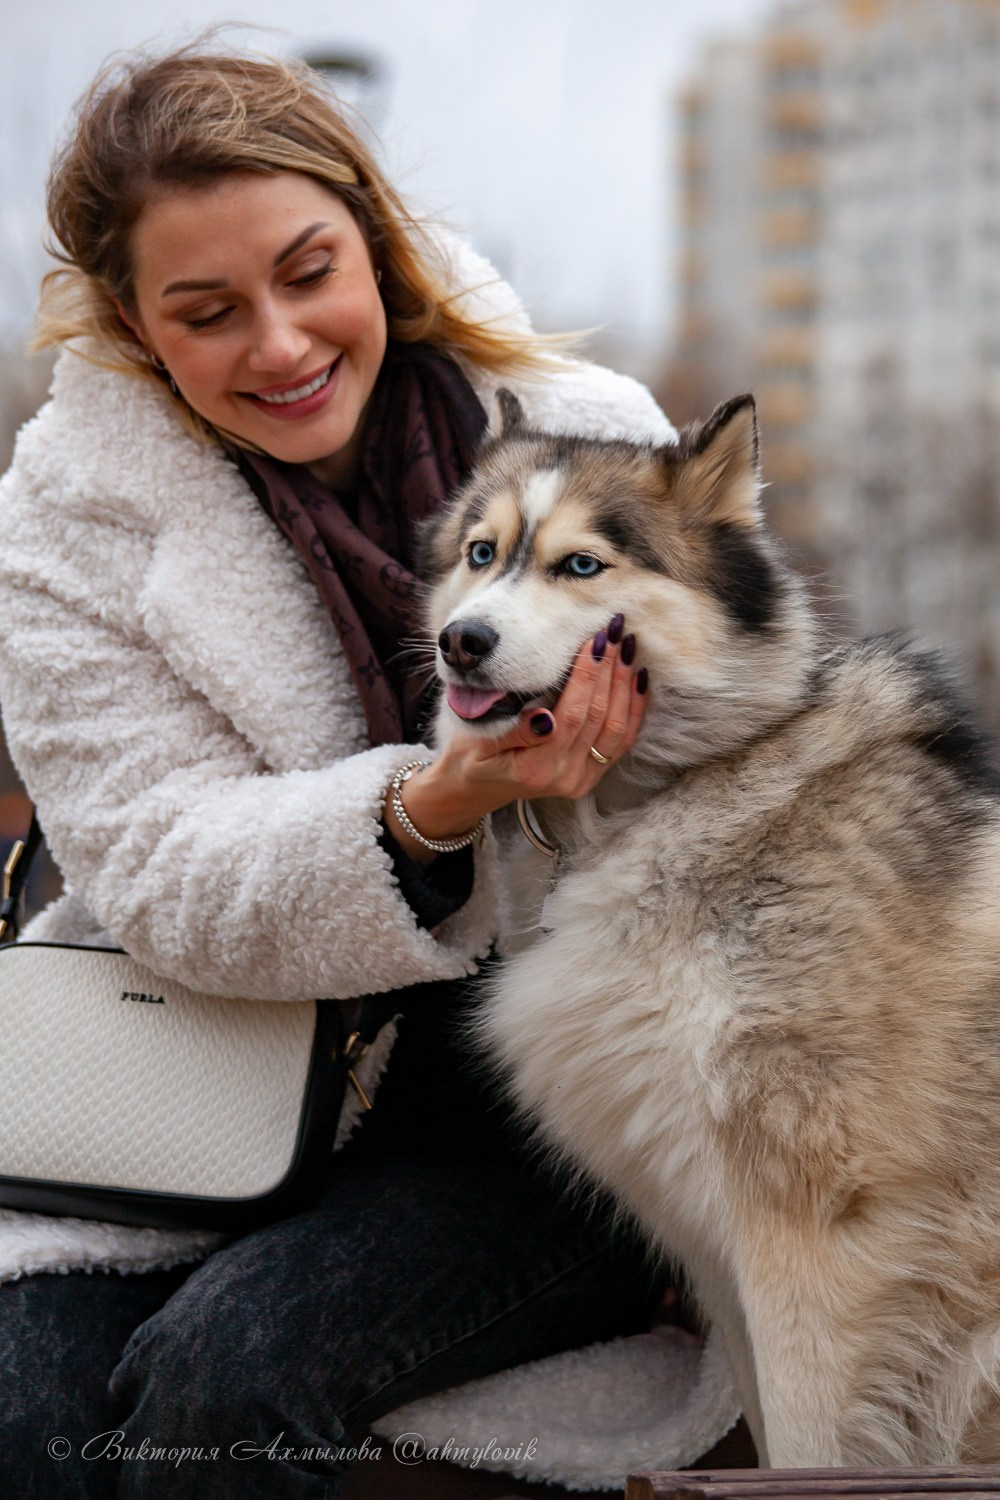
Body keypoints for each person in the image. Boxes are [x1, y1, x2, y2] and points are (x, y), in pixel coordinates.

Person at [0, 43, 685, 1499]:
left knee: (230, 1375)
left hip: (542, 1122)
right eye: (205, 311)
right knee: (25, 1411)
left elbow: (768, 800)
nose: (278, 343)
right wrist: (433, 803)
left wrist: (618, 787)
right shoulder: (60, 537)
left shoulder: (602, 449)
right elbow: (159, 870)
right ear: (135, 328)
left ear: (375, 243)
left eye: (309, 271)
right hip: (185, 1091)